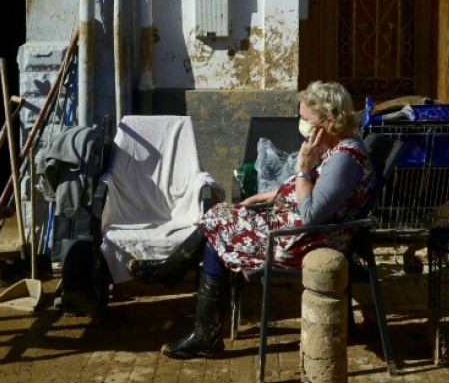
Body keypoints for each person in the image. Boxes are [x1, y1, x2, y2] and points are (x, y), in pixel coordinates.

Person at [126, 80, 377, 359]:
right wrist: (259, 198)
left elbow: (310, 215)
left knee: (218, 228)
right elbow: (301, 192)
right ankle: (190, 306)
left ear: (329, 120)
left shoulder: (344, 159)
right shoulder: (335, 146)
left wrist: (304, 167)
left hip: (308, 241)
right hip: (297, 229)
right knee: (220, 219)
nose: (301, 124)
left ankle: (177, 282)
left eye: (306, 119)